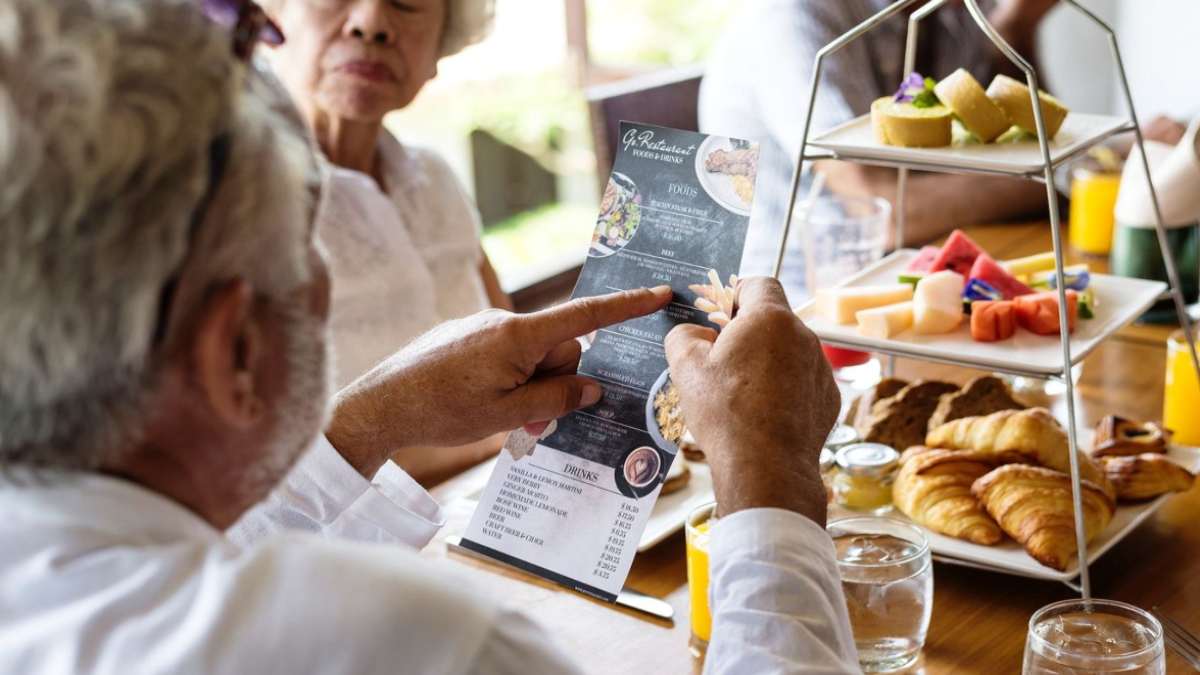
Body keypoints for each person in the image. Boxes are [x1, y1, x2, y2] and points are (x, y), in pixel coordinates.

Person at [0, 1, 859, 672]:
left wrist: (369, 418)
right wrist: (773, 472)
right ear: (235, 353)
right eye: (306, 244)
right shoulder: (414, 643)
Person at [261, 0, 509, 484]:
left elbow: (517, 344)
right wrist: (506, 436)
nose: (371, 23)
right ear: (271, 16)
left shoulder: (436, 180)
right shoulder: (230, 207)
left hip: (486, 522)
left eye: (407, 3)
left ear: (442, 41)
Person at [700, 0, 1061, 300]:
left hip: (912, 270)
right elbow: (884, 209)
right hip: (791, 303)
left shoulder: (954, 13)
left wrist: (1013, 31)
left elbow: (1021, 138)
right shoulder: (792, 19)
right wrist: (1053, 184)